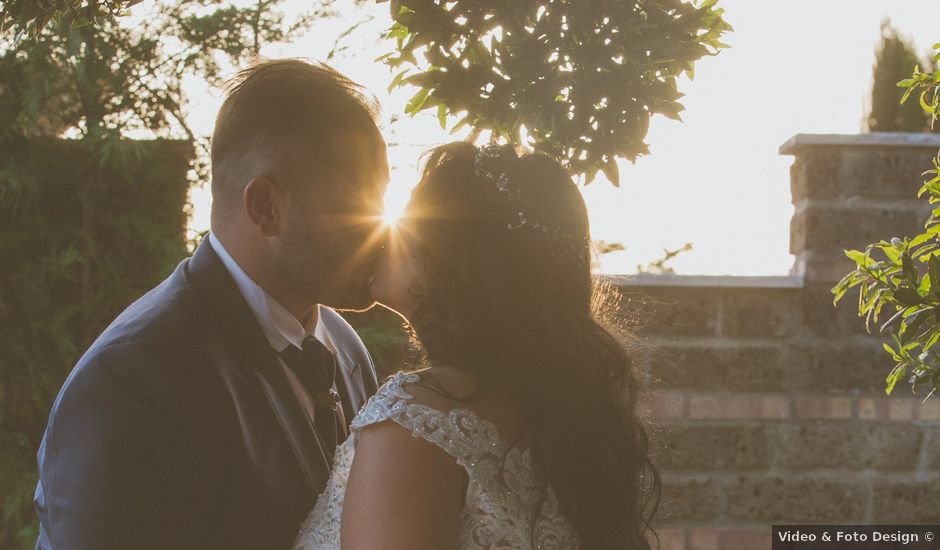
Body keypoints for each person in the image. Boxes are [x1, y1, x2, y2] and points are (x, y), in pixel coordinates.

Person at [33, 59, 390, 549]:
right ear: (265, 207)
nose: (383, 232)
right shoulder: (132, 380)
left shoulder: (345, 348)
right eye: (357, 207)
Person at [294, 142, 661, 549]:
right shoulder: (560, 409)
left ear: (447, 259)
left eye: (410, 219)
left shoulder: (414, 423)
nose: (385, 230)